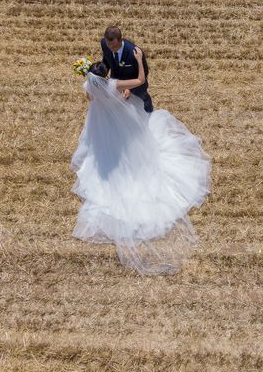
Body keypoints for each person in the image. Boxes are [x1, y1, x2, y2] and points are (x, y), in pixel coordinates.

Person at [70, 46, 211, 275]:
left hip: (100, 123)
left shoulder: (89, 86)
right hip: (116, 122)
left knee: (104, 148)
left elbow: (89, 98)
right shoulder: (113, 85)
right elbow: (140, 79)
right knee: (133, 145)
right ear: (105, 75)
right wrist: (137, 60)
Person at [101, 26, 154, 113]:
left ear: (120, 40)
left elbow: (144, 72)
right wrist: (101, 75)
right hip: (116, 84)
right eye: (108, 45)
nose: (111, 49)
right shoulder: (104, 43)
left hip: (136, 87)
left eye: (114, 47)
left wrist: (129, 88)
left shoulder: (134, 52)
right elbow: (106, 60)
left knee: (142, 106)